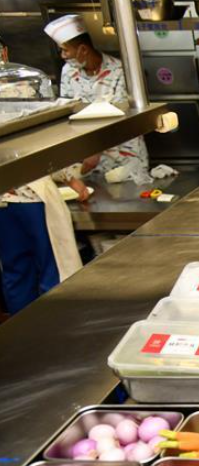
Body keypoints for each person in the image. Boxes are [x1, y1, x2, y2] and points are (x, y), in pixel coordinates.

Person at [0, 35, 84, 313]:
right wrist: (71, 177)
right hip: (31, 195)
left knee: (15, 270)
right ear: (5, 52)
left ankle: (21, 331)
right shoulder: (23, 85)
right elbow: (44, 141)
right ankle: (54, 326)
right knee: (53, 267)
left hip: (3, 199)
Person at [44, 14, 150, 182]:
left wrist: (96, 150)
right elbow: (67, 113)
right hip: (89, 162)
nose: (63, 55)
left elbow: (122, 116)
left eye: (66, 50)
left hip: (126, 159)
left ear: (83, 50)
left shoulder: (119, 71)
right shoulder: (68, 72)